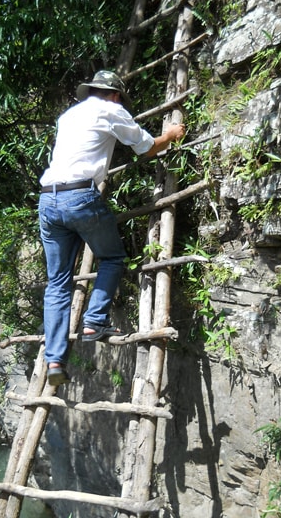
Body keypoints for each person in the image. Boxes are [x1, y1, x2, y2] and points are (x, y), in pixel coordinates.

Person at [38, 70, 186, 386]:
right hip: (79, 196)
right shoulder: (111, 110)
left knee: (57, 283)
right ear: (115, 95)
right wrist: (171, 135)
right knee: (112, 257)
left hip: (47, 201)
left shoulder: (68, 116)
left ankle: (53, 360)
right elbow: (145, 148)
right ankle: (93, 322)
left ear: (92, 90)